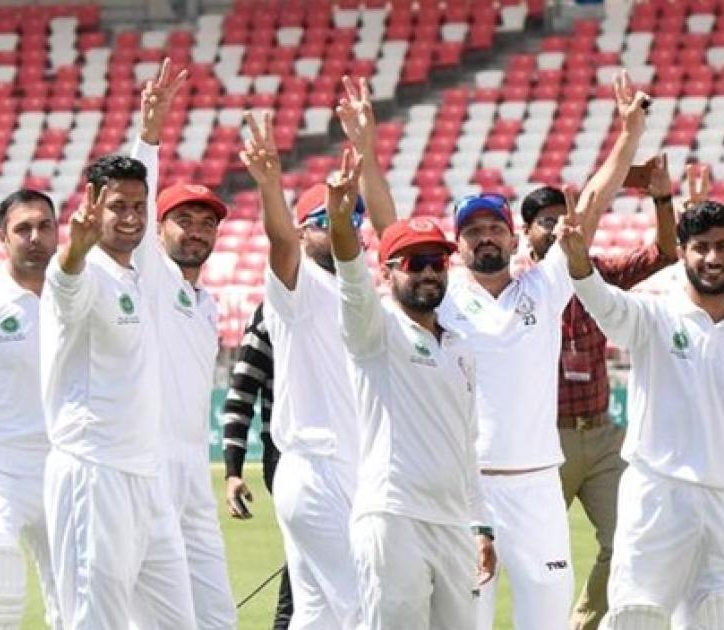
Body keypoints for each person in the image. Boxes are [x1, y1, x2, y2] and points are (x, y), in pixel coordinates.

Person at [445, 70, 648, 630]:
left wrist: (628, 136)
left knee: (548, 619)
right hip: (469, 487)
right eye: (473, 231)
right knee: (465, 620)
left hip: (538, 483)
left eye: (494, 227)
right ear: (457, 245)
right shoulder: (440, 299)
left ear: (513, 238)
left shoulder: (542, 287)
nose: (485, 236)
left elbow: (592, 204)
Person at [557, 199, 724, 627]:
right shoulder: (653, 317)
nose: (713, 258)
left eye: (723, 246)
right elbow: (607, 306)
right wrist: (579, 266)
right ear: (682, 252)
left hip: (722, 505)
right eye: (701, 247)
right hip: (657, 499)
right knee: (637, 618)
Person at [237, 75, 401, 628]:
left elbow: (393, 233)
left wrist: (368, 152)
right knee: (364, 607)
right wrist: (270, 186)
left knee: (318, 615)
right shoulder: (298, 288)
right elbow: (281, 242)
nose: (340, 228)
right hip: (319, 467)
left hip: (347, 467)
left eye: (350, 218)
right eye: (324, 221)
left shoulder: (366, 289)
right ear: (305, 231)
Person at [321, 150, 496, 627]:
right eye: (414, 263)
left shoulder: (460, 347)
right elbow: (352, 283)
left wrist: (480, 523)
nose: (428, 272)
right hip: (393, 517)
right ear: (387, 272)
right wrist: (341, 224)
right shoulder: (375, 331)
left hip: (453, 523)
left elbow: (465, 445)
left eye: (437, 262)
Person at [521, 156, 677, 630]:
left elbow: (665, 253)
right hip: (544, 440)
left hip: (603, 435)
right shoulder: (516, 286)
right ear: (526, 233)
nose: (558, 227)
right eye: (546, 221)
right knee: (533, 554)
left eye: (564, 217)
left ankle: (582, 625)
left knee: (629, 542)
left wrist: (662, 198)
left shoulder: (599, 273)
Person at [40, 159, 195, 626]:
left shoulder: (136, 275)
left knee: (176, 622)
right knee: (96, 621)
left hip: (146, 476)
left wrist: (150, 136)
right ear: (93, 206)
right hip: (94, 471)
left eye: (138, 206)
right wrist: (74, 250)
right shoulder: (84, 272)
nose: (130, 217)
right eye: (117, 206)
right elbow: (65, 288)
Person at [130, 59, 237, 630]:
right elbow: (135, 203)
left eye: (207, 222)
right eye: (184, 219)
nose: (197, 230)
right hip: (147, 467)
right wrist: (149, 135)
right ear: (159, 228)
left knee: (216, 615)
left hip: (195, 469)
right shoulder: (148, 278)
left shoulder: (207, 303)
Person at [0, 189, 62, 629]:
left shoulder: (76, 292)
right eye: (23, 229)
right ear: (2, 237)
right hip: (3, 464)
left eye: (44, 226)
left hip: (66, 462)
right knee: (1, 582)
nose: (35, 237)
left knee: (75, 597)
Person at [221, 301, 292, 629]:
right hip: (287, 457)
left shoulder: (351, 302)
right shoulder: (271, 313)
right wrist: (233, 471)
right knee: (310, 563)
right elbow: (242, 392)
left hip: (347, 461)